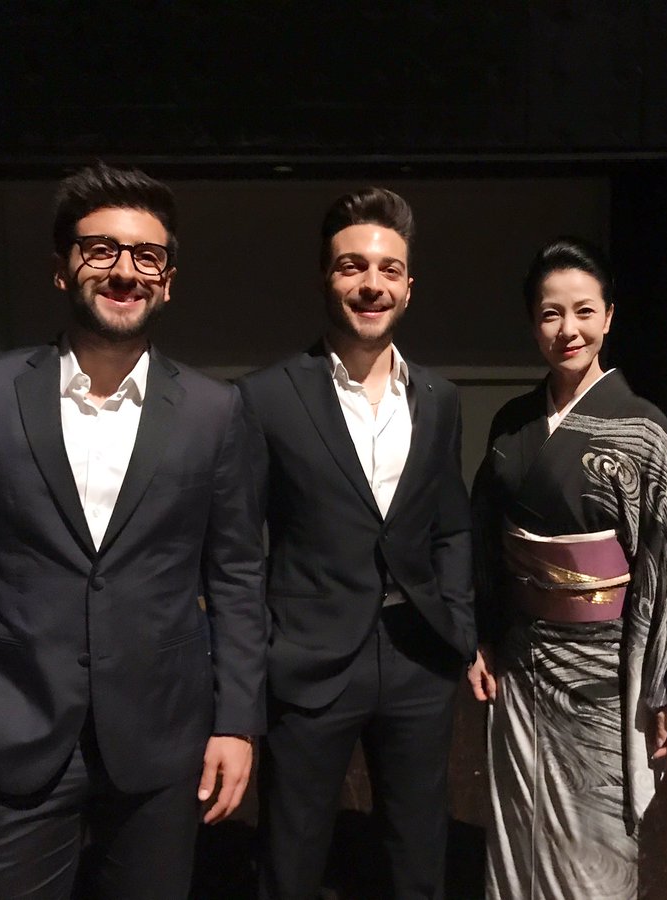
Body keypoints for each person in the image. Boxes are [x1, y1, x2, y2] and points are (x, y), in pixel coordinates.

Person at [0, 163, 267, 899]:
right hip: (11, 723)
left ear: (167, 281)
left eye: (146, 256)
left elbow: (236, 573)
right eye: (101, 250)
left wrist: (236, 721)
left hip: (162, 738)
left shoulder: (214, 411)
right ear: (63, 269)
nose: (124, 270)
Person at [237, 187, 475, 900]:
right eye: (352, 266)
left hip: (419, 657)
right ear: (326, 277)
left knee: (418, 854)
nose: (372, 283)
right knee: (292, 857)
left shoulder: (440, 399)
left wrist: (458, 627)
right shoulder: (267, 397)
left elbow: (451, 524)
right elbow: (240, 547)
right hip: (308, 660)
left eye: (388, 269)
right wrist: (259, 655)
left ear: (408, 285)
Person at [467, 237, 667, 898]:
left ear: (609, 317)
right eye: (550, 314)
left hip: (601, 667)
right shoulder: (512, 424)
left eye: (584, 311)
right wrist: (483, 634)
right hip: (520, 655)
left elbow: (665, 568)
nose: (568, 329)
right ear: (533, 322)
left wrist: (661, 687)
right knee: (518, 824)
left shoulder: (646, 431)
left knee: (594, 836)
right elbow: (484, 538)